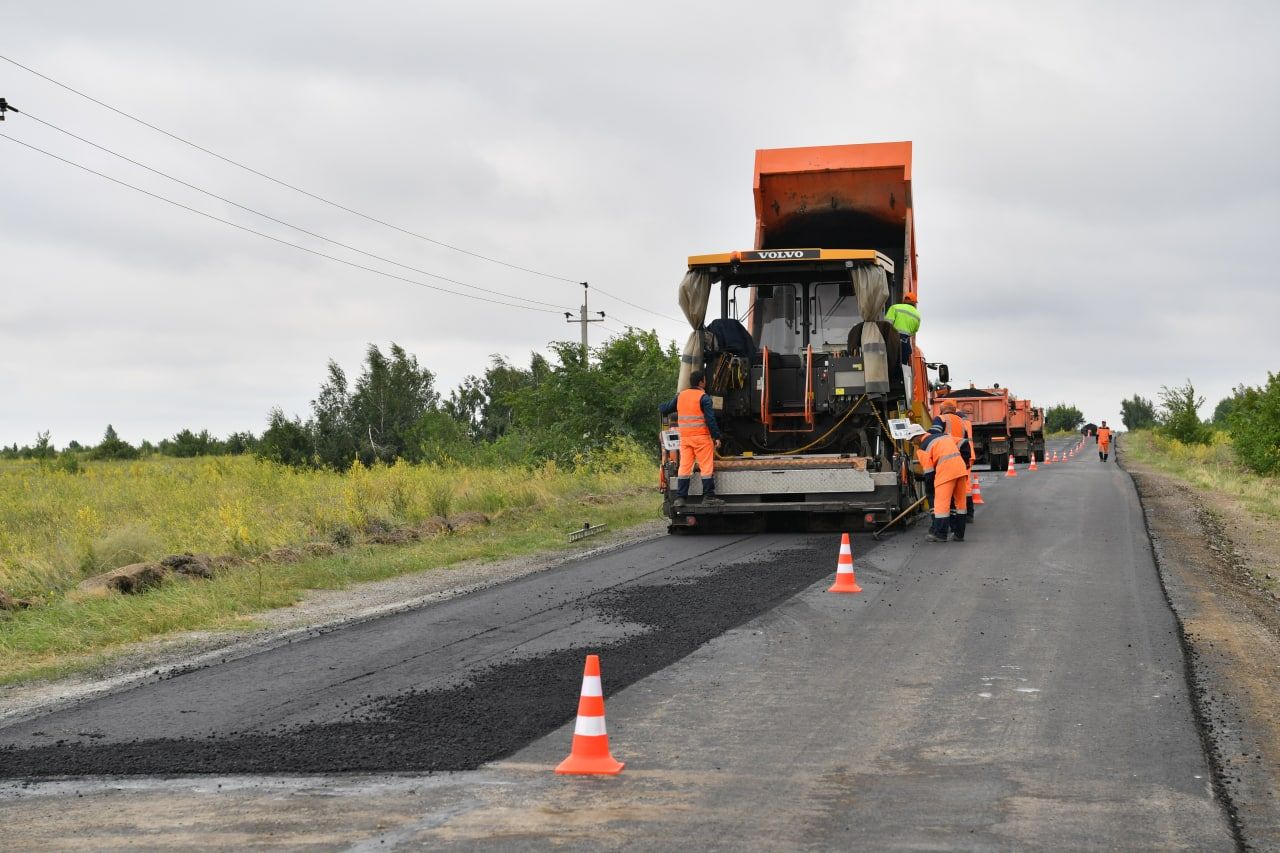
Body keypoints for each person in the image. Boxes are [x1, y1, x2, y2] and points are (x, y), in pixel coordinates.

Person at [658, 370, 723, 508]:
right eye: (705, 380)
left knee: (684, 467)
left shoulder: (681, 396)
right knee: (706, 467)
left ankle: (681, 498)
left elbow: (667, 408)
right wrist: (716, 436)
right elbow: (710, 419)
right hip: (701, 438)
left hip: (686, 439)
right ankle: (708, 496)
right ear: (701, 382)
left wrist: (660, 407)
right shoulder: (703, 397)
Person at [908, 423, 968, 542]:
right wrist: (966, 461)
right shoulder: (944, 436)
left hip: (945, 474)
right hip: (960, 470)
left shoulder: (922, 448)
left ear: (918, 436)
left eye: (912, 440)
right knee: (961, 504)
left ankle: (940, 534)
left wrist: (930, 490)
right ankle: (959, 534)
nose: (912, 443)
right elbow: (964, 442)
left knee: (941, 505)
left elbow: (929, 473)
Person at [932, 401, 974, 521]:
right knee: (963, 488)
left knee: (946, 489)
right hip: (961, 457)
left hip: (946, 458)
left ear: (942, 409)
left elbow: (933, 437)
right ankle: (967, 515)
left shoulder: (940, 419)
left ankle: (948, 518)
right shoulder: (962, 422)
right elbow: (965, 440)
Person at [884, 291, 920, 396]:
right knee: (903, 365)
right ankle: (899, 383)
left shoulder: (895, 308)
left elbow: (887, 325)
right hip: (904, 343)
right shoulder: (917, 315)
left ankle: (888, 381)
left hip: (892, 341)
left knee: (889, 362)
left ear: (905, 300)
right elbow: (914, 331)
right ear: (914, 303)